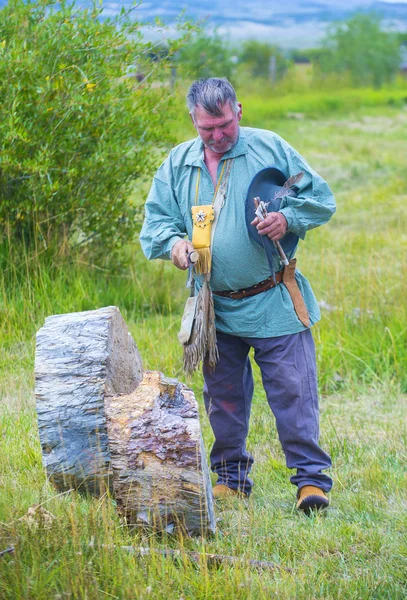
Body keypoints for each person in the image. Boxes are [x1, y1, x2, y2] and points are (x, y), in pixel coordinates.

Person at [140, 77, 336, 512]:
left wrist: (287, 217)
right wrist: (174, 245)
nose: (217, 136)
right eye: (207, 128)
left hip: (273, 300)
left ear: (239, 111)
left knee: (293, 392)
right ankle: (231, 479)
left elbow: (321, 199)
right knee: (222, 398)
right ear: (193, 120)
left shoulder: (270, 149)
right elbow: (156, 223)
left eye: (225, 125)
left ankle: (310, 484)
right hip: (214, 308)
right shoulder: (178, 163)